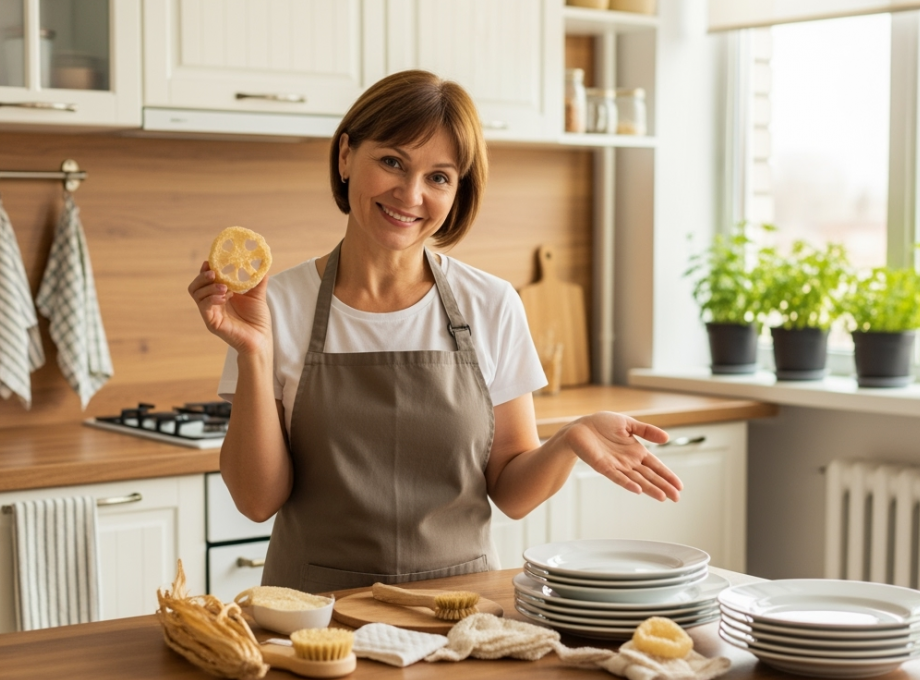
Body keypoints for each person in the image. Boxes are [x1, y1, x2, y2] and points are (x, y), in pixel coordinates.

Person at [189, 70, 683, 593]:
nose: (410, 194)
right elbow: (255, 501)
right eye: (392, 162)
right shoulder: (274, 305)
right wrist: (253, 353)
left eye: (439, 177)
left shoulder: (491, 303)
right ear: (345, 157)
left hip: (460, 615)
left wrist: (568, 441)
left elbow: (511, 493)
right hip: (314, 621)